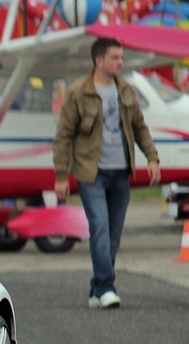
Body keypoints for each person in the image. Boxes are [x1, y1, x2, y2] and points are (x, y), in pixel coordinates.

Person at [54, 37, 160, 310]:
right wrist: (61, 176)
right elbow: (63, 136)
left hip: (121, 172)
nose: (120, 62)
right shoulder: (79, 92)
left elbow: (140, 127)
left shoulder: (126, 90)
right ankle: (107, 287)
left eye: (121, 58)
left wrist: (152, 158)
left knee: (112, 235)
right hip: (92, 174)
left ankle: (97, 288)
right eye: (115, 57)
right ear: (99, 60)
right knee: (99, 228)